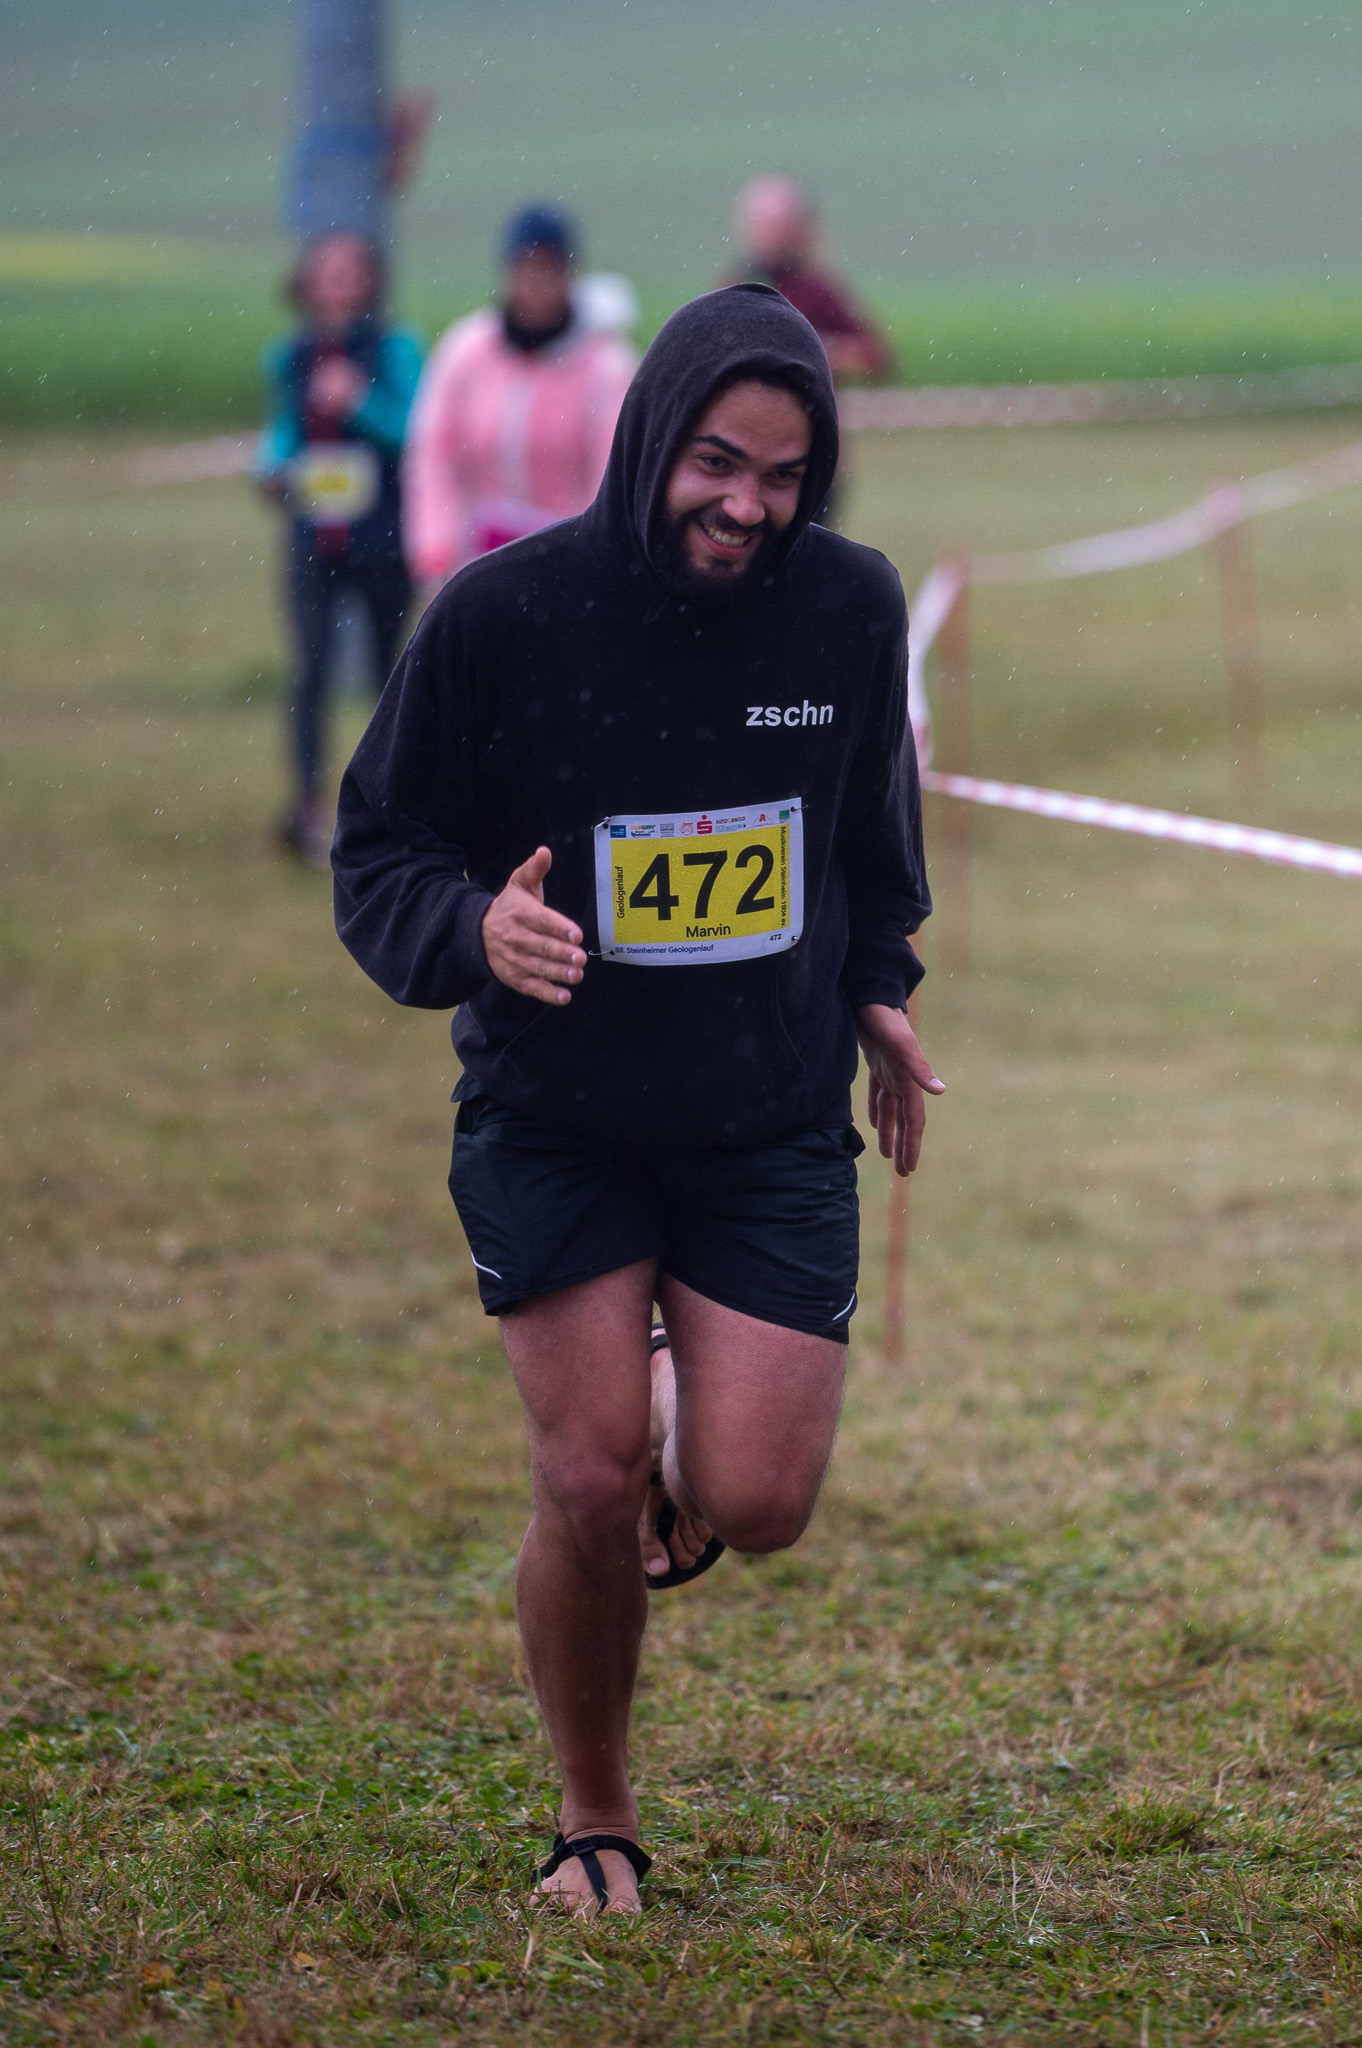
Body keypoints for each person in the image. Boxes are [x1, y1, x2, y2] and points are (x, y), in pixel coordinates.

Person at [332, 283, 943, 1917]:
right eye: (715, 463)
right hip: (558, 1115)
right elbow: (380, 847)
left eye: (784, 477)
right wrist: (474, 926)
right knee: (590, 1475)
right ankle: (592, 1812)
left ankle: (679, 1394)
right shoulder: (502, 615)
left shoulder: (848, 607)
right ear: (651, 436)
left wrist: (879, 983)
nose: (745, 505)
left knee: (758, 1499)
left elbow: (867, 841)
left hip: (763, 1118)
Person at [257, 231, 423, 867]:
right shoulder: (290, 355)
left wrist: (358, 402)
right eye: (326, 271)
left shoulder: (396, 349)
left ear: (369, 282)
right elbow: (283, 432)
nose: (337, 283)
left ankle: (393, 806)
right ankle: (306, 807)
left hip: (383, 540)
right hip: (312, 540)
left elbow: (416, 431)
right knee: (310, 672)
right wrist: (271, 468)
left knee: (390, 678)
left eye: (349, 271)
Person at [402, 204, 636, 603]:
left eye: (549, 269)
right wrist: (435, 548)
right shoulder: (466, 351)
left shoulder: (605, 367)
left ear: (570, 276)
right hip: (475, 571)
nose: (536, 283)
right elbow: (433, 455)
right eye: (526, 269)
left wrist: (602, 564)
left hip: (568, 572)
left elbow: (615, 472)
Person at [730, 175, 890, 384]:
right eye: (764, 224)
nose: (771, 235)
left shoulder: (816, 288)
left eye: (779, 224)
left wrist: (810, 348)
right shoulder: (737, 284)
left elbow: (873, 357)